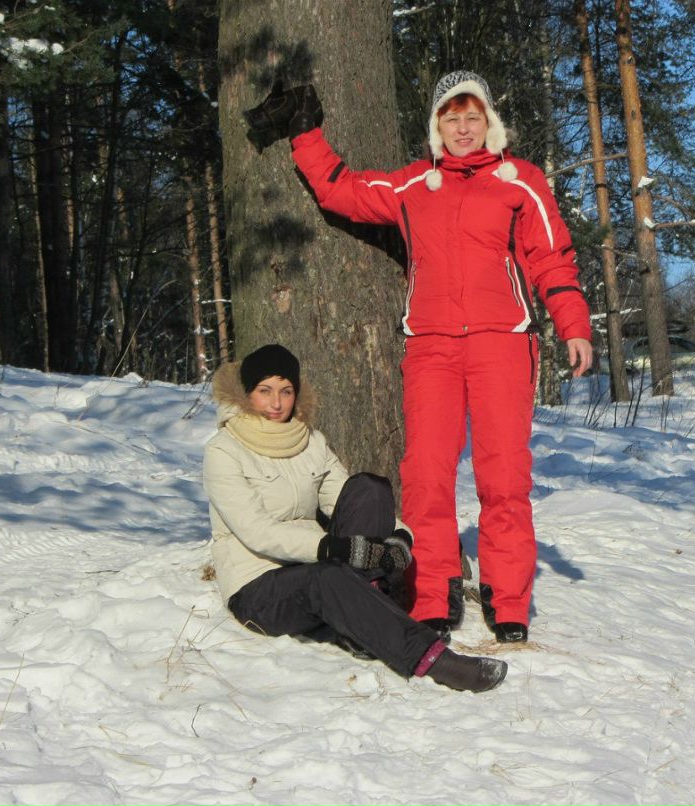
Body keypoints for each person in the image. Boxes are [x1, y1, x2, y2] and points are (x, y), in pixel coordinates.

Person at [244, 71, 593, 645]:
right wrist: (305, 131)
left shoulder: (520, 182)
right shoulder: (415, 187)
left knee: (503, 477)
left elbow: (551, 257)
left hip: (502, 342)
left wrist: (573, 324)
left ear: (488, 122)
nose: (462, 127)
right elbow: (342, 190)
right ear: (437, 126)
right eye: (451, 118)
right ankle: (434, 593)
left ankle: (509, 602)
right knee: (427, 478)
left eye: (472, 116)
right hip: (430, 347)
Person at [203, 343, 508, 692]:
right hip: (259, 587)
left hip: (314, 568)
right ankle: (432, 658)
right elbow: (257, 532)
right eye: (265, 391)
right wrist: (337, 549)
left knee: (370, 488)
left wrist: (400, 537)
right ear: (247, 395)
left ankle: (363, 616)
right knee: (328, 577)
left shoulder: (310, 441)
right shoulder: (223, 450)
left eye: (286, 391)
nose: (276, 403)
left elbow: (344, 495)